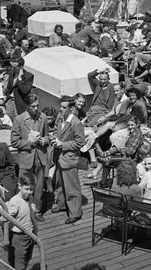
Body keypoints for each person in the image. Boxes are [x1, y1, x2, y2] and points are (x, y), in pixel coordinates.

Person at [10, 94, 49, 221]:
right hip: (26, 158)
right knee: (24, 185)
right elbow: (14, 142)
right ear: (27, 106)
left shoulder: (43, 117)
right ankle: (22, 210)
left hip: (40, 157)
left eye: (37, 106)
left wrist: (44, 140)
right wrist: (29, 143)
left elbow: (47, 135)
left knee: (38, 186)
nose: (36, 109)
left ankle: (37, 210)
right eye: (33, 106)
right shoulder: (19, 120)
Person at [51, 95, 85, 224]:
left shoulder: (76, 123)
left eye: (64, 107)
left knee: (72, 187)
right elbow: (56, 130)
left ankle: (75, 212)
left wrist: (63, 145)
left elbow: (80, 142)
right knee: (59, 184)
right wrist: (54, 137)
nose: (61, 109)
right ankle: (61, 204)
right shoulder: (60, 118)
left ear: (71, 108)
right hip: (60, 157)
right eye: (60, 106)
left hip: (69, 158)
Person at [1, 172, 38, 270]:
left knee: (27, 259)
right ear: (19, 186)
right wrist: (6, 232)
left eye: (31, 189)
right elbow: (3, 218)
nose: (29, 192)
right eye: (26, 189)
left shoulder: (30, 198)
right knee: (19, 264)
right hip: (19, 238)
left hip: (30, 234)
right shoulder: (15, 202)